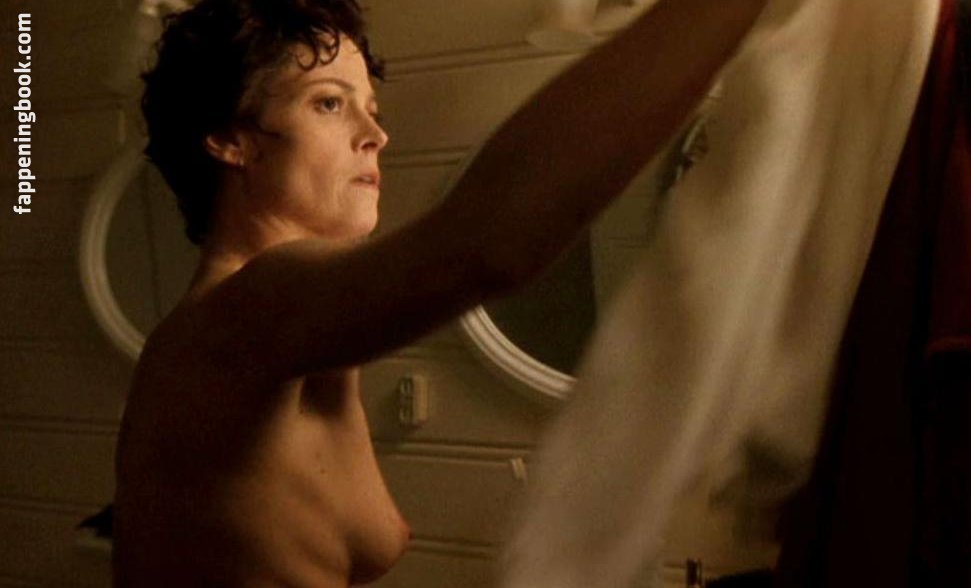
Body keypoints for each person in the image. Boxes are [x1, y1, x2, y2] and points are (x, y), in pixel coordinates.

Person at [111, 0, 769, 585]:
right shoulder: (239, 313)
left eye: (372, 110)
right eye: (329, 103)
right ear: (230, 139)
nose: (376, 135)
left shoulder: (302, 335)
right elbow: (485, 245)